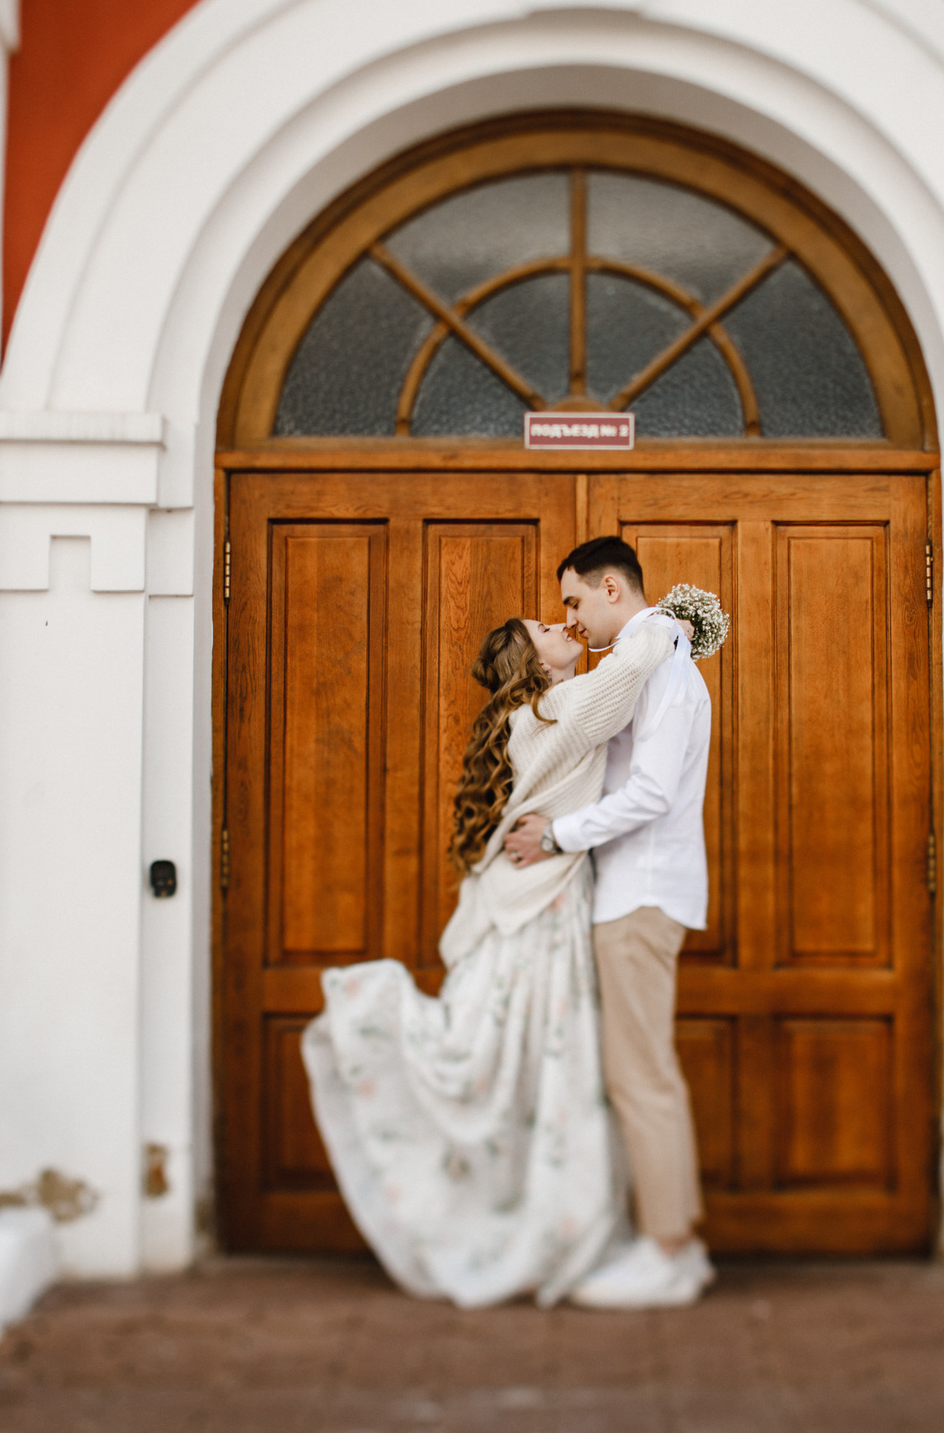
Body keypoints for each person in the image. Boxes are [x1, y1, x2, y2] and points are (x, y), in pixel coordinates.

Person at [301, 602, 686, 1307]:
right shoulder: (551, 713)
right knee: (540, 1065)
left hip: (542, 900)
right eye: (545, 628)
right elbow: (633, 665)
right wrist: (667, 616)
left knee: (541, 1069)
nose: (559, 622)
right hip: (539, 913)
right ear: (535, 664)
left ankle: (548, 1220)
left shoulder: (537, 716)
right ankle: (539, 1228)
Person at [503, 535, 715, 1309]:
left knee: (641, 1076)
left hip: (642, 894)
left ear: (613, 591)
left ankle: (667, 1250)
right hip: (632, 893)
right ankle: (674, 1243)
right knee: (642, 1072)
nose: (571, 616)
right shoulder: (645, 662)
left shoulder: (661, 668)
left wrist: (557, 835)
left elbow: (652, 792)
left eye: (574, 600)